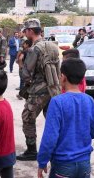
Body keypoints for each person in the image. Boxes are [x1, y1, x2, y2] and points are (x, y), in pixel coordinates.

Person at [37, 58, 94, 178]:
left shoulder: (57, 102)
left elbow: (50, 138)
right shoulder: (89, 100)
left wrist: (42, 162)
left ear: (63, 77)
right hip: (84, 164)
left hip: (63, 164)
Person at [17, 19, 61, 161]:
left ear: (30, 31)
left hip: (38, 90)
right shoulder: (52, 45)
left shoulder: (35, 49)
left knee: (27, 118)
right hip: (53, 88)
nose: (25, 33)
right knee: (52, 119)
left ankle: (31, 151)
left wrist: (20, 63)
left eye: (26, 31)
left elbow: (25, 74)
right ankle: (59, 148)